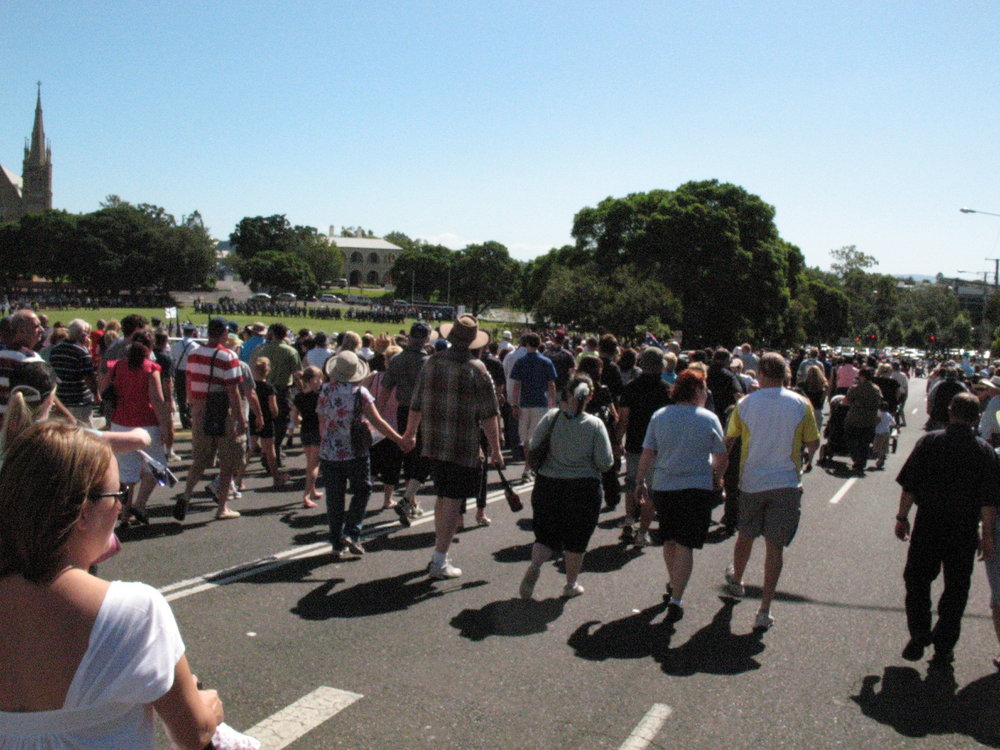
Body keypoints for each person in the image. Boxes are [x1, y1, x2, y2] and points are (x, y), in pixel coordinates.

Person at [0, 422, 223, 748]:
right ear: (82, 513)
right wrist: (209, 708)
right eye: (117, 493)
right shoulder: (135, 611)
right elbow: (195, 733)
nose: (120, 506)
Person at [895, 392, 1000, 665]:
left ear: (950, 411)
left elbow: (910, 486)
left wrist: (902, 517)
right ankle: (944, 643)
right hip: (963, 530)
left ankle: (919, 631)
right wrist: (987, 537)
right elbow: (989, 502)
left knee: (917, 580)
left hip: (928, 524)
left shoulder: (929, 442)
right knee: (957, 588)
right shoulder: (984, 452)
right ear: (977, 417)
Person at [401, 315, 504, 579]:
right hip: (463, 444)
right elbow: (490, 414)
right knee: (452, 500)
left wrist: (411, 433)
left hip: (434, 441)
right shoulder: (477, 369)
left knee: (443, 496)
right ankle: (439, 558)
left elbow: (416, 402)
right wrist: (496, 449)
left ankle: (440, 552)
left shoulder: (432, 362)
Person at [724, 352, 820, 631]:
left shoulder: (745, 404)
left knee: (746, 534)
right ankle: (764, 608)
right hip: (787, 482)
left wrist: (719, 473)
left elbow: (729, 440)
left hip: (752, 481)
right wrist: (805, 456)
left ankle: (738, 580)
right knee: (774, 548)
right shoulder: (802, 404)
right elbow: (813, 442)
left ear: (762, 375)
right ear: (785, 375)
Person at [635, 369, 728, 622]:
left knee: (669, 539)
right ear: (697, 390)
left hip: (665, 486)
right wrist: (717, 478)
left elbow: (647, 453)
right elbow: (721, 456)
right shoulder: (708, 418)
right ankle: (677, 596)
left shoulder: (660, 415)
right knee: (686, 543)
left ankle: (673, 582)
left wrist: (640, 481)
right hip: (696, 488)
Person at [519, 375, 613, 599]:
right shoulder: (595, 424)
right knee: (576, 540)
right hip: (583, 489)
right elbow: (605, 462)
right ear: (589, 397)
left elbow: (533, 444)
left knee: (544, 535)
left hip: (548, 485)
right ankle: (571, 584)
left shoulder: (552, 417)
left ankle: (535, 566)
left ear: (567, 394)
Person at [318, 351, 403, 559]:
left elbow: (322, 419)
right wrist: (399, 439)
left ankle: (336, 542)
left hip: (330, 450)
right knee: (362, 490)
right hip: (355, 450)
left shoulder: (325, 390)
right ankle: (352, 531)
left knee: (335, 498)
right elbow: (378, 421)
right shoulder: (360, 393)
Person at [174, 318, 246, 522]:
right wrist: (240, 419)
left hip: (200, 407)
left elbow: (189, 380)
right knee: (228, 460)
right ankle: (222, 506)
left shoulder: (194, 353)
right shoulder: (228, 355)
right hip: (222, 411)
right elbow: (233, 392)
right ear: (224, 333)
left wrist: (193, 406)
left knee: (200, 459)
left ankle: (186, 493)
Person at [104, 330, 173, 526]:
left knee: (126, 474)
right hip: (147, 422)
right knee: (158, 466)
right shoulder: (151, 368)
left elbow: (105, 391)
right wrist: (166, 427)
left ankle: (124, 514)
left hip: (121, 422)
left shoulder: (117, 366)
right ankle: (140, 504)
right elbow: (157, 400)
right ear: (150, 348)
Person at [617, 347, 672, 548]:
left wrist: (617, 441)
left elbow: (624, 419)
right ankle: (643, 532)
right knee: (651, 491)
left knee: (632, 483)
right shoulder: (668, 390)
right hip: (658, 447)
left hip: (634, 444)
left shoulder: (630, 387)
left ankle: (630, 519)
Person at [382, 322, 436, 520]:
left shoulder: (396, 360)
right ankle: (409, 498)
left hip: (403, 411)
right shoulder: (430, 362)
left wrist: (377, 416)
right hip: (425, 413)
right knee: (425, 457)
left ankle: (410, 500)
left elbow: (385, 390)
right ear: (426, 339)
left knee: (408, 456)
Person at [509, 332, 558, 482]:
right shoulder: (546, 361)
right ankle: (534, 467)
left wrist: (514, 404)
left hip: (524, 403)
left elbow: (516, 385)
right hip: (540, 403)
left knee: (525, 439)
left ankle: (527, 468)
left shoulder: (521, 361)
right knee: (538, 436)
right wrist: (552, 403)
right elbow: (551, 385)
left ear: (527, 344)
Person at [250, 323, 301, 465]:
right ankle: (274, 450)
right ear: (285, 335)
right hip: (282, 390)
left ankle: (268, 451)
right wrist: (302, 391)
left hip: (263, 388)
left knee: (265, 421)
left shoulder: (263, 349)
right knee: (281, 423)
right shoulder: (290, 351)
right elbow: (297, 375)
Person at [47, 318, 99, 426]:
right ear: (82, 335)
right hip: (78, 400)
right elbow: (89, 377)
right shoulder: (81, 351)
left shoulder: (56, 349)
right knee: (83, 431)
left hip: (60, 398)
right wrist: (96, 394)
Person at [292, 365, 324, 507]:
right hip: (318, 431)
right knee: (314, 465)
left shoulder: (299, 397)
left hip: (305, 431)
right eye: (319, 378)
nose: (321, 381)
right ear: (313, 380)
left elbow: (294, 417)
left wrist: (303, 419)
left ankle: (313, 491)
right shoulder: (319, 396)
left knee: (309, 462)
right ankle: (306, 495)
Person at [842, 366, 882, 475]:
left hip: (855, 418)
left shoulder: (856, 388)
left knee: (850, 439)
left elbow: (846, 401)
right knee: (865, 443)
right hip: (870, 420)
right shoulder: (876, 389)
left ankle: (856, 459)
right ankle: (861, 462)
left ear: (862, 376)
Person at [170, 322, 199, 429]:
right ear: (193, 333)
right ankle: (191, 418)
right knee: (192, 397)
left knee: (181, 398)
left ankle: (184, 421)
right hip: (191, 373)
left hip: (179, 372)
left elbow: (173, 359)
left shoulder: (176, 345)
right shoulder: (195, 346)